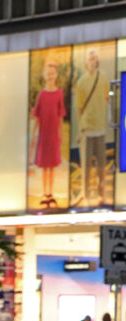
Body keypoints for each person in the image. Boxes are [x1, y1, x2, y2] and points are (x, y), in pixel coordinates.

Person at [74, 48, 110, 206]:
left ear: (97, 60)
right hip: (87, 128)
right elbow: (79, 108)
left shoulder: (104, 78)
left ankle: (102, 193)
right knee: (86, 165)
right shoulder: (81, 82)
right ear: (86, 62)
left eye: (94, 58)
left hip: (100, 127)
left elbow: (107, 97)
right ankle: (86, 194)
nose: (92, 61)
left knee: (101, 164)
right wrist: (80, 130)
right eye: (90, 58)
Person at [30, 58, 66, 208]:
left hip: (53, 134)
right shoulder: (42, 95)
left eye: (53, 73)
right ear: (45, 75)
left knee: (52, 165)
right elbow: (37, 116)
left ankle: (50, 192)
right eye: (48, 73)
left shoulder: (59, 94)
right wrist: (34, 134)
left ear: (56, 75)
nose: (50, 76)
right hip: (44, 134)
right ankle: (45, 193)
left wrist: (61, 133)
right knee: (44, 166)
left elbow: (60, 115)